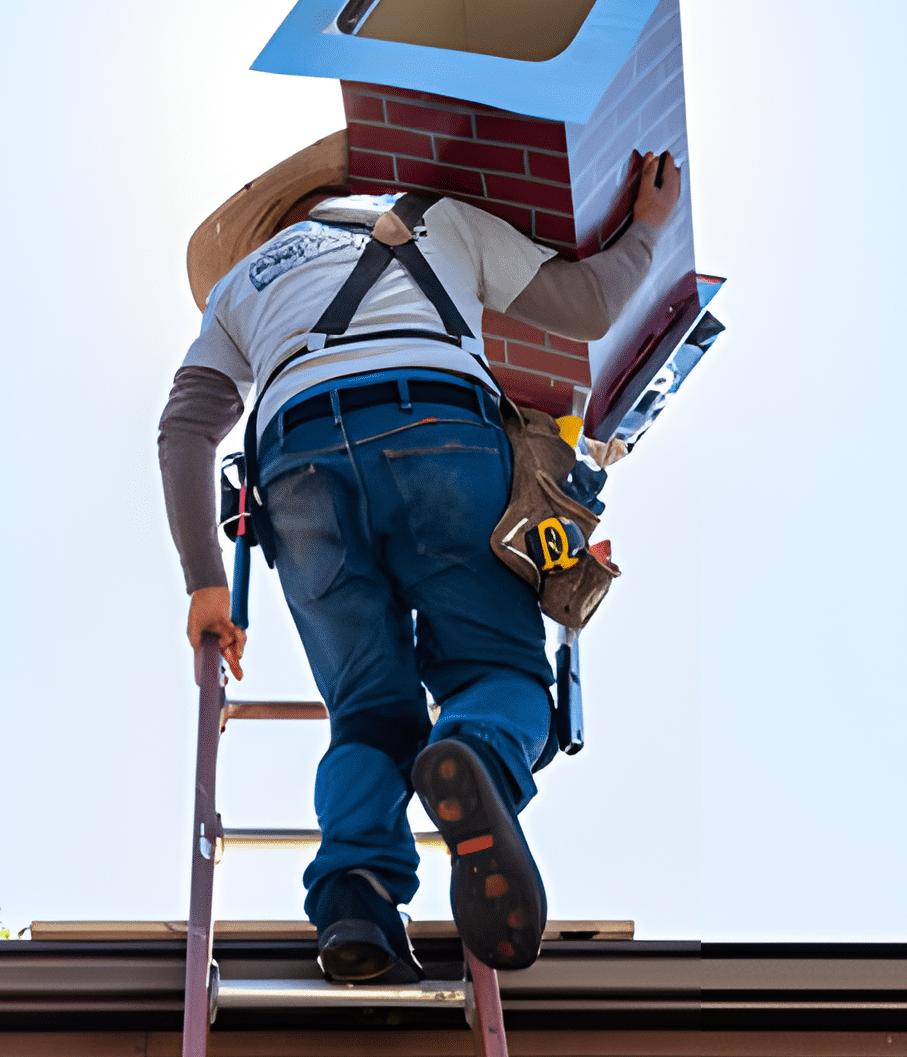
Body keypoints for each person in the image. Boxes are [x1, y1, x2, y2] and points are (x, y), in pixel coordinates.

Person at [157, 136, 681, 981]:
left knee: (368, 711)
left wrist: (204, 589)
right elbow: (588, 306)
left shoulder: (238, 287)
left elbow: (184, 430)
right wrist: (650, 228)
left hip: (296, 474)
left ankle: (355, 899)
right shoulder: (443, 219)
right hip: (435, 431)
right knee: (498, 675)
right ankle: (472, 749)